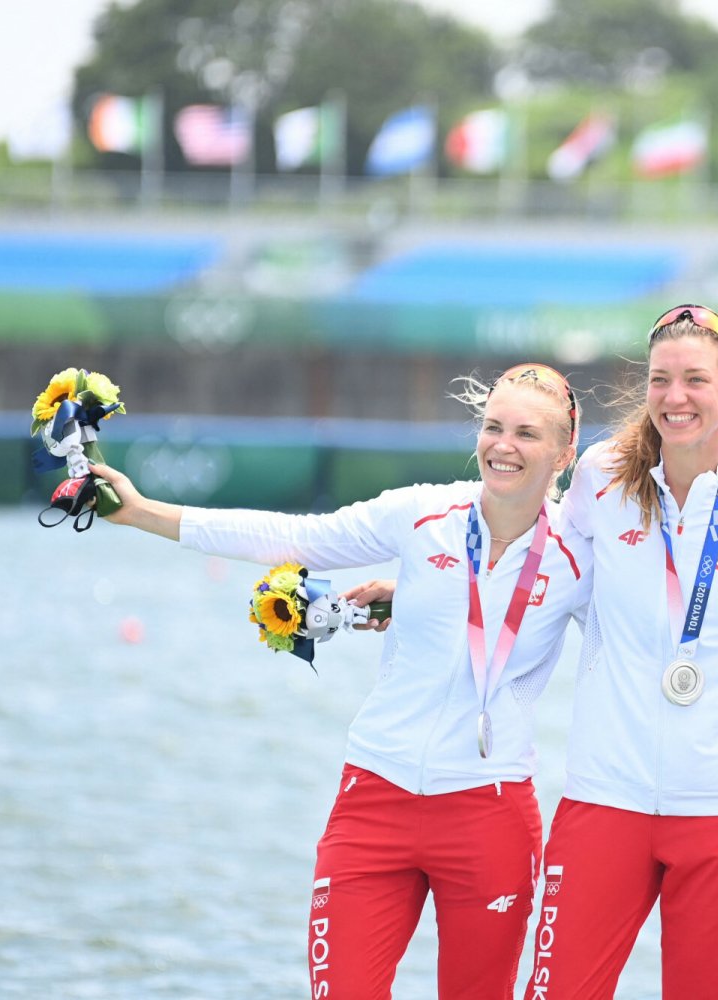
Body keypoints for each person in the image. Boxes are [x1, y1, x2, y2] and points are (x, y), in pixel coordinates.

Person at [90, 363, 590, 1000]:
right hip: (374, 800)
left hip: (489, 815)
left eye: (526, 433)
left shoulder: (581, 556)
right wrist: (142, 513)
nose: (503, 445)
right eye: (493, 427)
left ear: (564, 453)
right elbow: (292, 536)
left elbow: (642, 643)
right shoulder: (420, 514)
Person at [528, 304, 718, 1000]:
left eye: (694, 380)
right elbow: (545, 578)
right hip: (605, 794)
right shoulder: (601, 476)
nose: (675, 397)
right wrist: (413, 589)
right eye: (660, 380)